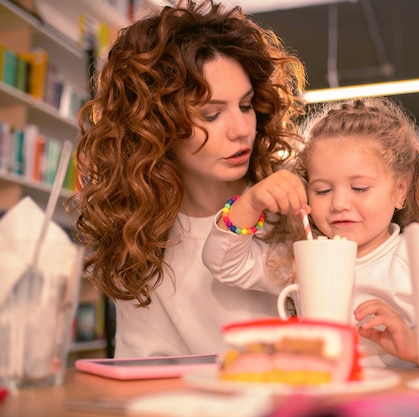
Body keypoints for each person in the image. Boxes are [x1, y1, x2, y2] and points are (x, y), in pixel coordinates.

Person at [68, 0, 307, 357]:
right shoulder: (139, 237)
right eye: (211, 115)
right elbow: (144, 372)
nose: (242, 130)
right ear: (156, 128)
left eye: (245, 105)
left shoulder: (293, 205)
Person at [202, 97, 419, 368]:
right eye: (322, 190)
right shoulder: (305, 257)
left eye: (360, 188)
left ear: (400, 191)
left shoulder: (415, 260)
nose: (338, 203)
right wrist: (251, 202)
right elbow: (224, 264)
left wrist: (418, 347)